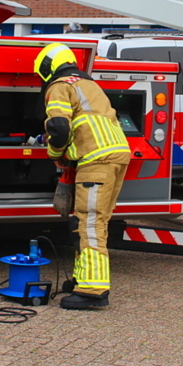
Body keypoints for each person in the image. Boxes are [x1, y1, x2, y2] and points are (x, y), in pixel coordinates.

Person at [35, 42, 131, 310]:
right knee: (96, 222)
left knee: (89, 224)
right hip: (117, 155)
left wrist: (55, 153)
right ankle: (83, 279)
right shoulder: (90, 85)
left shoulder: (59, 86)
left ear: (47, 67)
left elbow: (58, 126)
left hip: (96, 160)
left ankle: (93, 291)